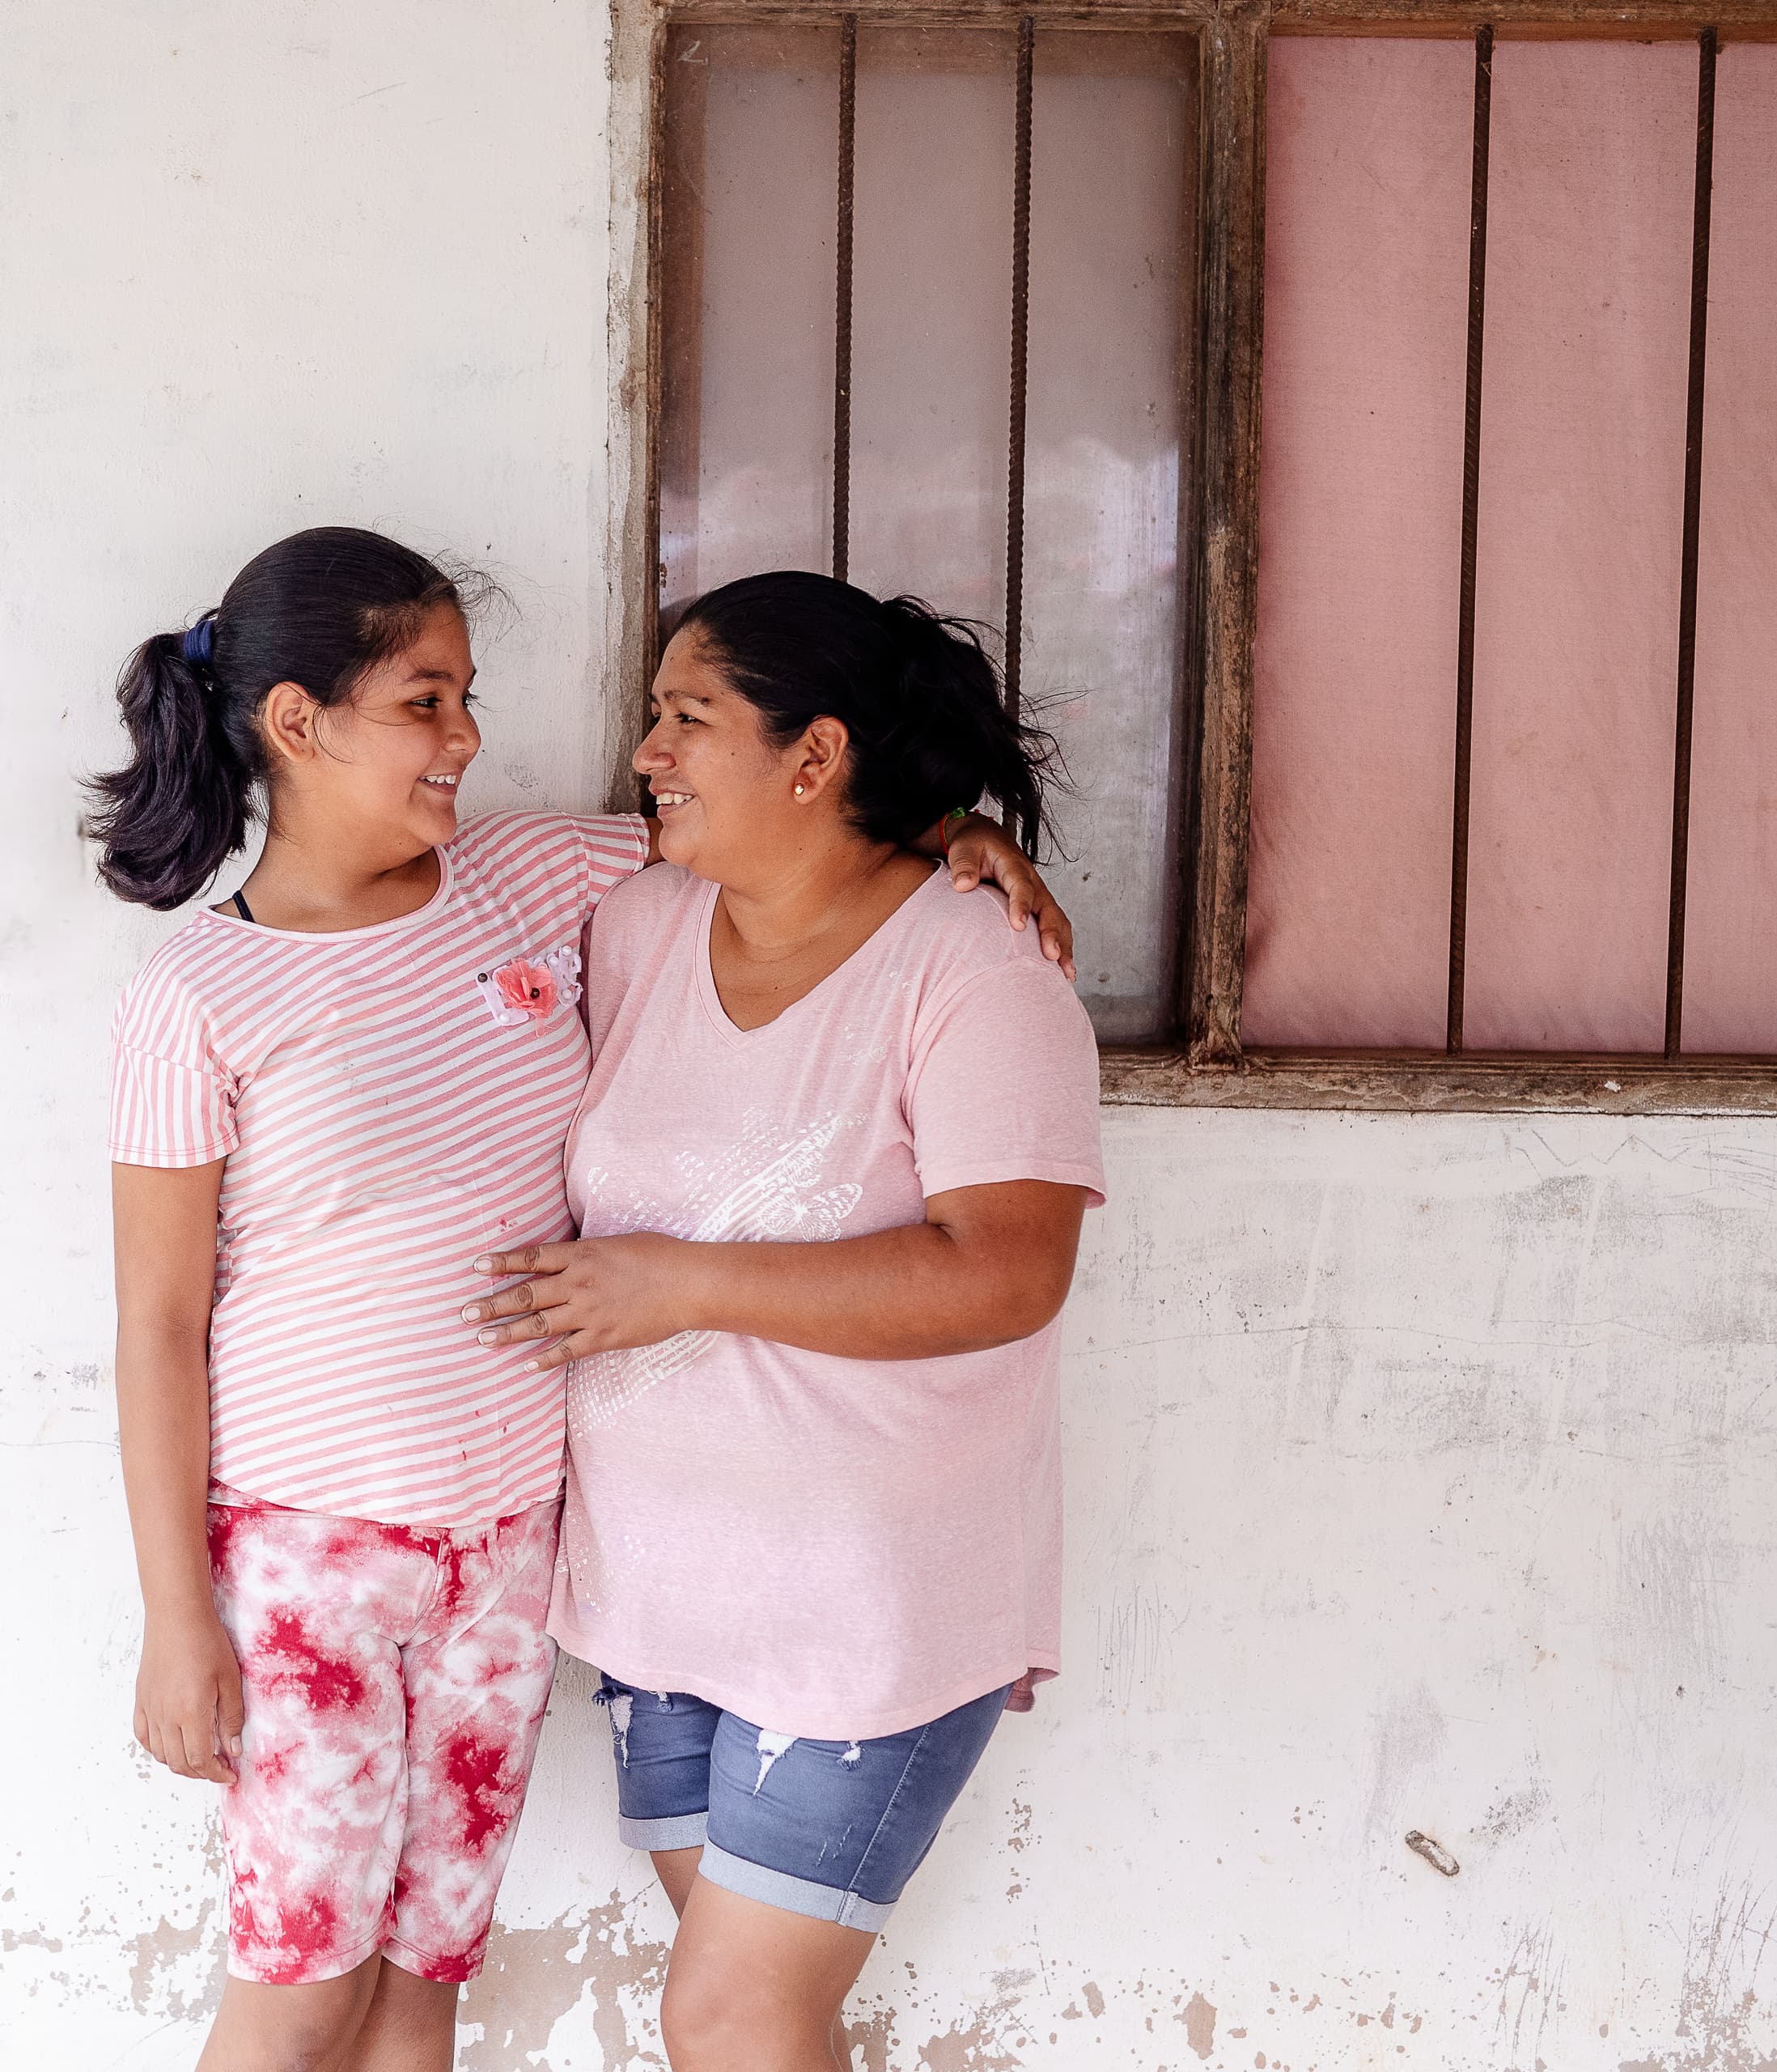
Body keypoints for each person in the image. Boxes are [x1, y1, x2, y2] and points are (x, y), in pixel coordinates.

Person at [88, 531, 1071, 2070]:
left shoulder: (536, 878)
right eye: (427, 702)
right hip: (306, 1566)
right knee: (297, 1993)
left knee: (422, 1989)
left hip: (507, 1560)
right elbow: (156, 1326)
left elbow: (800, 835)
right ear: (298, 722)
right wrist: (172, 1618)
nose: (468, 736)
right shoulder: (196, 999)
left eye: (466, 697)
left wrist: (954, 829)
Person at [461, 571, 1104, 2072]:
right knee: (757, 2016)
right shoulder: (635, 925)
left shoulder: (976, 969)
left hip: (867, 1612)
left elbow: (1006, 1271)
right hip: (659, 1598)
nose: (645, 752)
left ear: (813, 757)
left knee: (733, 2015)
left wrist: (678, 1282)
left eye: (689, 717)